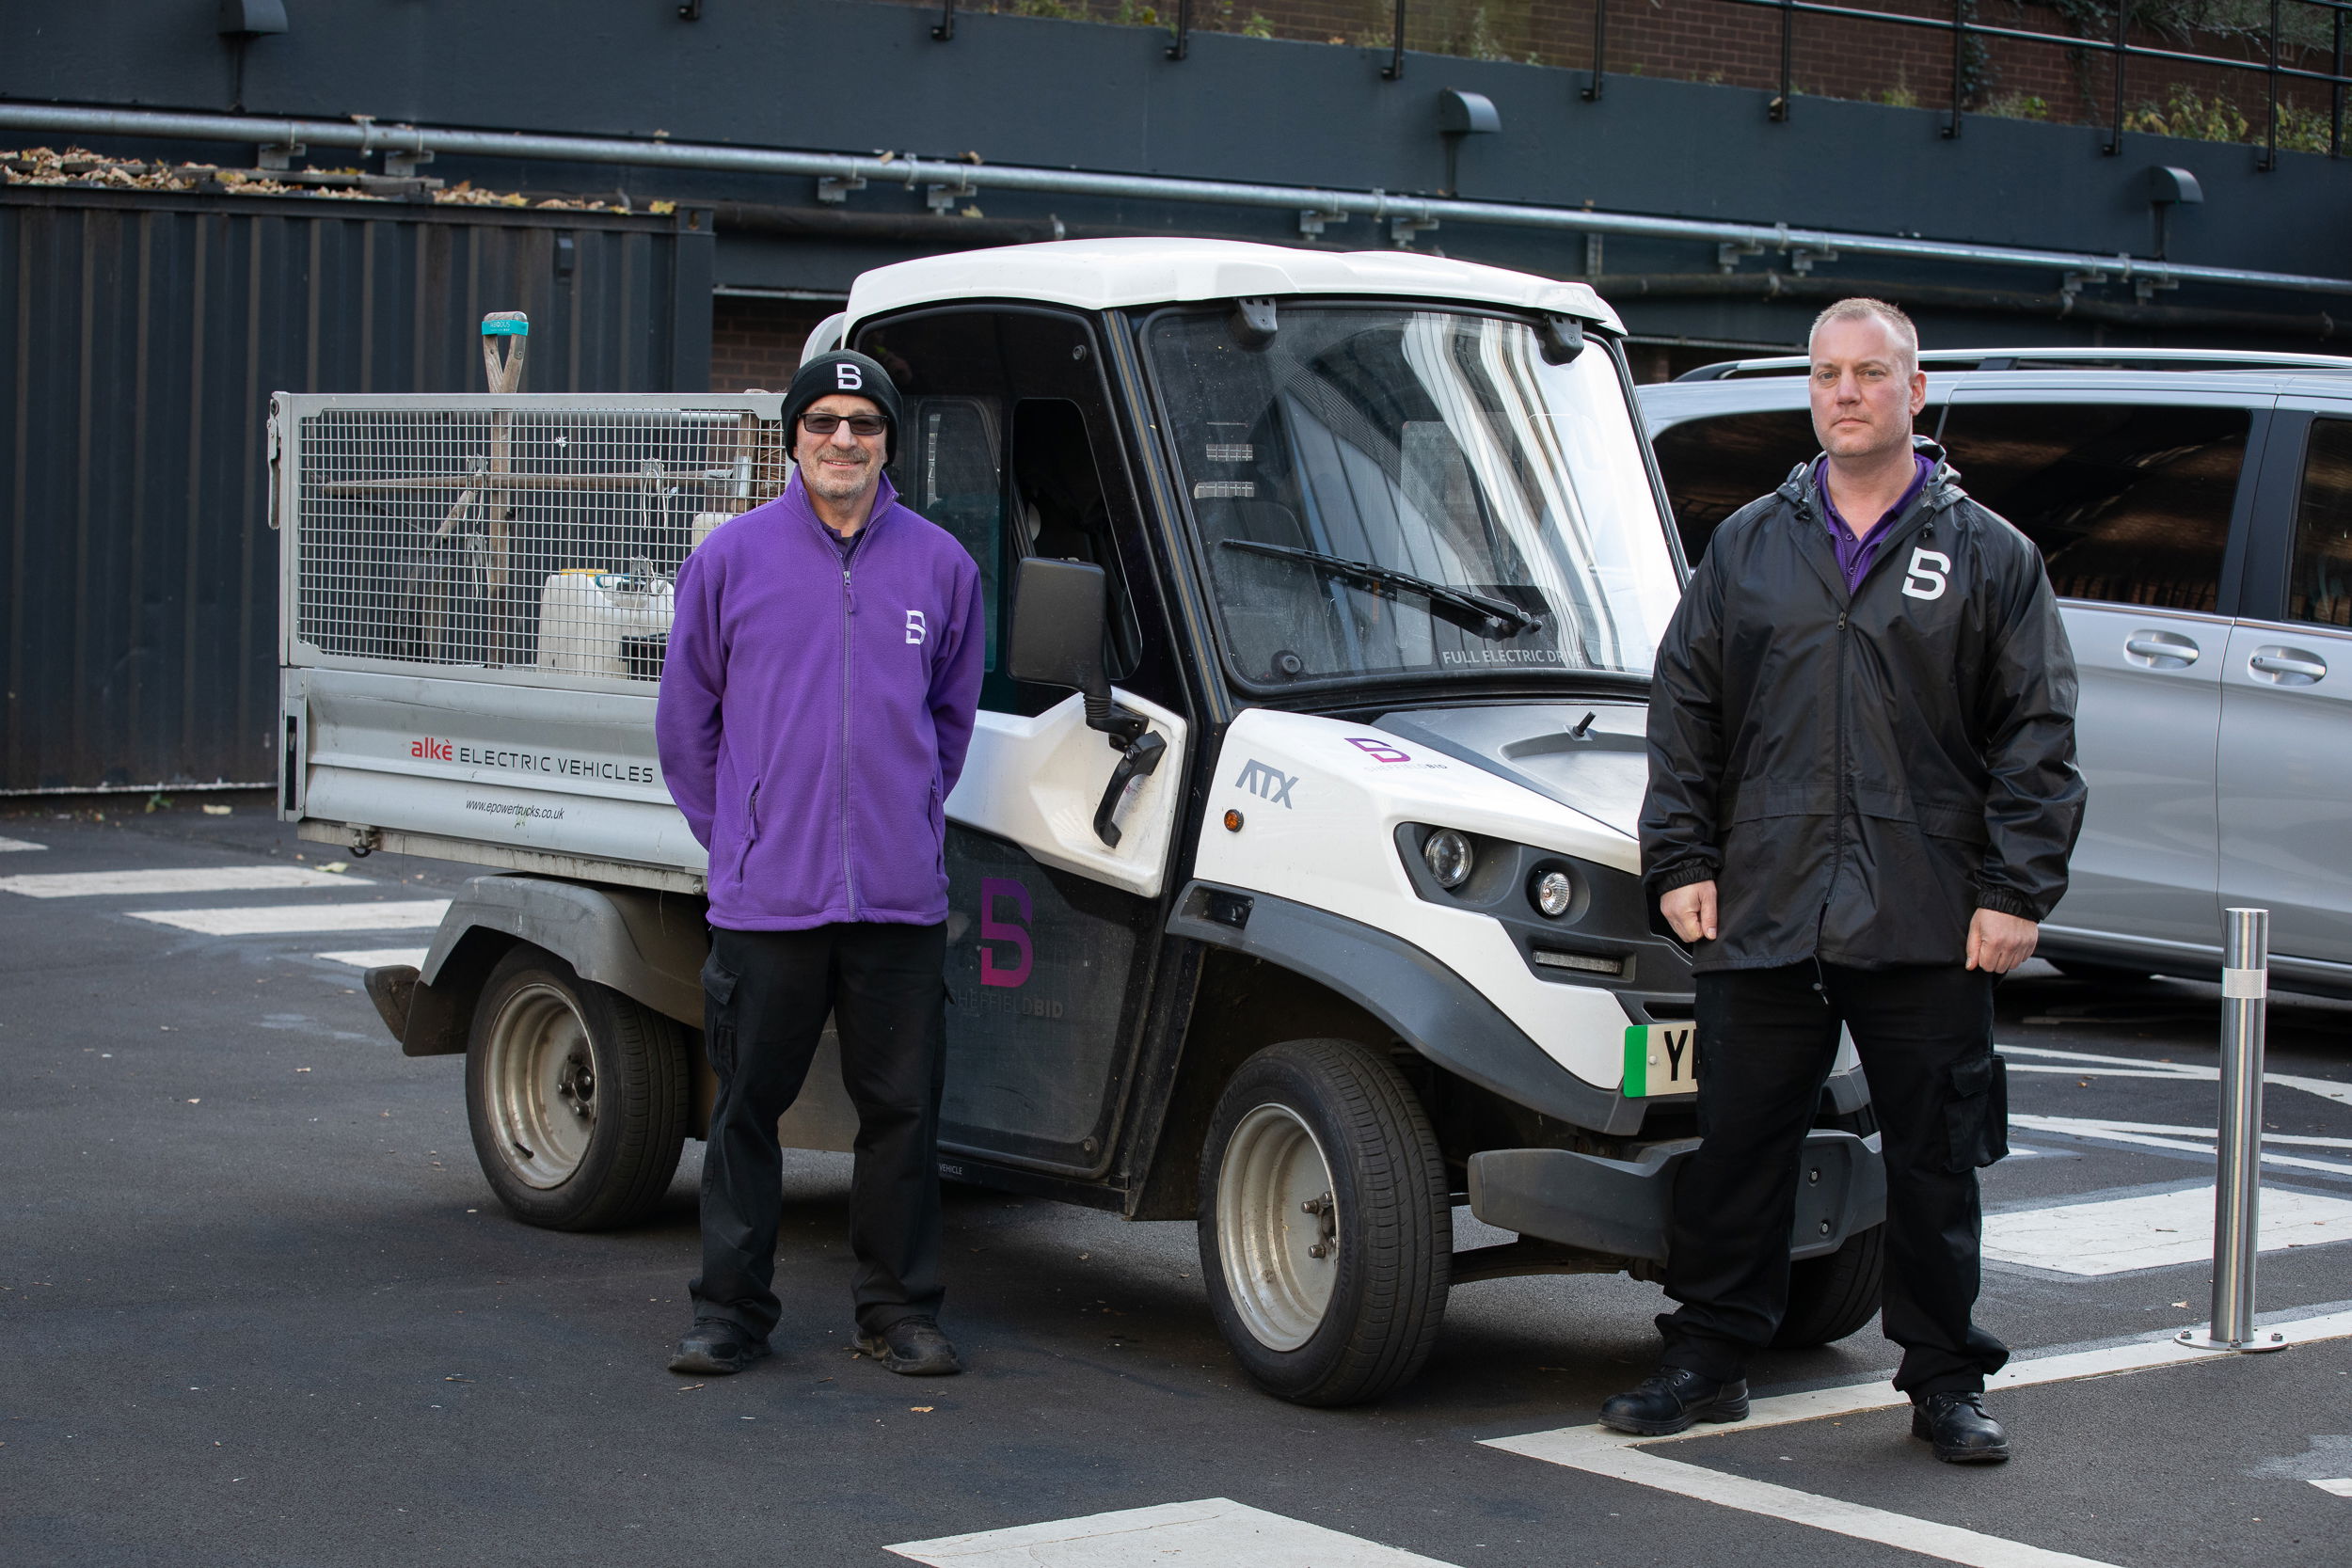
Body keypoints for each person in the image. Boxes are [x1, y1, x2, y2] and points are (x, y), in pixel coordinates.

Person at [1609, 298, 2083, 1463]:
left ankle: (1941, 1379)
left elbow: (2036, 733)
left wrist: (2016, 888)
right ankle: (1708, 1356)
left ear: (1915, 392)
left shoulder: (1989, 555)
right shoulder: (1749, 544)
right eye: (1826, 374)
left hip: (1926, 909)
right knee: (1739, 1144)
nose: (1846, 392)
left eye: (1871, 373)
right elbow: (1687, 711)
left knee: (1933, 1155)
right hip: (1765, 899)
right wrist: (1678, 858)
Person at [655, 349, 985, 1379]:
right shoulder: (732, 560)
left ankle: (897, 1311)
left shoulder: (942, 566)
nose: (844, 438)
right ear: (793, 435)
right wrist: (739, 838)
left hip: (896, 900)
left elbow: (951, 720)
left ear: (889, 439)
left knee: (901, 1115)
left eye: (865, 422)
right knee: (747, 1108)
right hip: (768, 901)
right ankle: (729, 1315)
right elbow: (685, 721)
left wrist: (911, 818)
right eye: (824, 420)